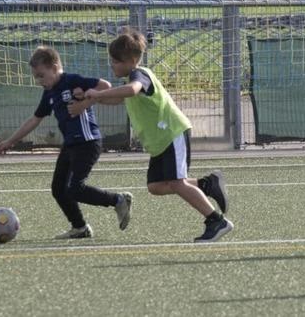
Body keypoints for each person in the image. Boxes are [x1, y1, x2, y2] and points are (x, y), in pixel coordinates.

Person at [69, 28, 232, 242]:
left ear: (132, 60)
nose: (112, 65)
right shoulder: (130, 78)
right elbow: (117, 98)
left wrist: (98, 93)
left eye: (116, 61)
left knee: (177, 181)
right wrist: (89, 101)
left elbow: (132, 90)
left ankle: (216, 220)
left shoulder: (140, 75)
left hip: (172, 132)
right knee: (155, 186)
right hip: (160, 141)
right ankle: (206, 185)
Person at [0, 46, 133, 239]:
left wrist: (85, 101)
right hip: (71, 145)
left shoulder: (72, 81)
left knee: (75, 188)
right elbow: (35, 119)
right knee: (58, 189)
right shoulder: (49, 93)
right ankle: (80, 227)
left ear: (54, 67)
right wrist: (10, 141)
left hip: (87, 142)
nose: (39, 81)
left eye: (41, 76)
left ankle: (118, 200)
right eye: (36, 77)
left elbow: (106, 87)